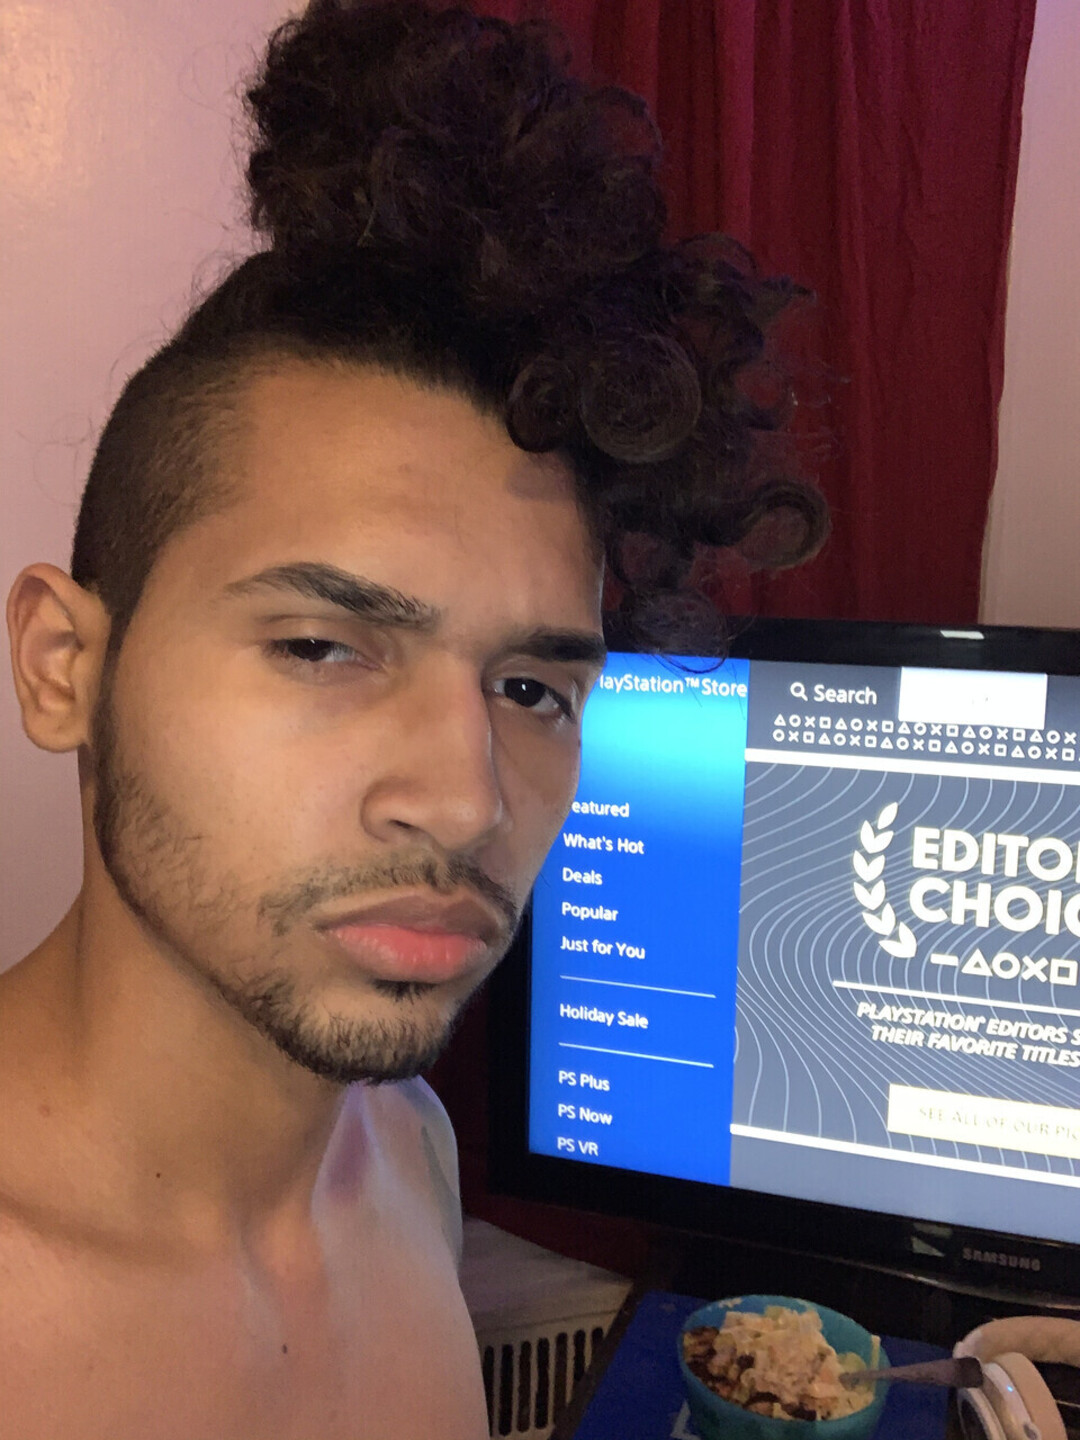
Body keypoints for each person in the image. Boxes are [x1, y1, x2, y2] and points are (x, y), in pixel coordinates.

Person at [2, 2, 826, 1435]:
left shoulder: (408, 1153)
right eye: (324, 646)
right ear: (63, 666)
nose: (466, 800)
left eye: (531, 690)